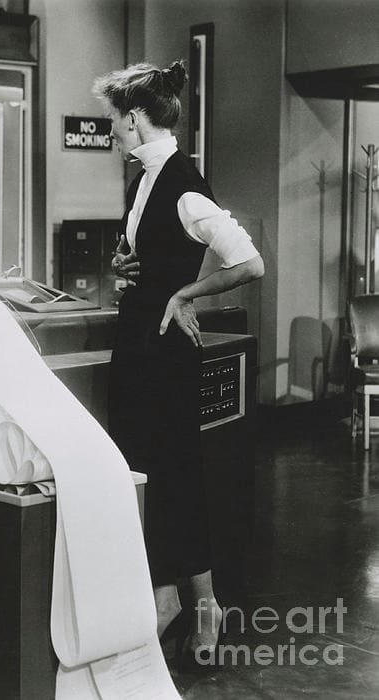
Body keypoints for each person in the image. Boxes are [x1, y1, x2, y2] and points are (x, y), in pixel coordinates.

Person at [92, 60, 264, 665]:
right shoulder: (145, 178)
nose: (110, 130)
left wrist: (184, 293)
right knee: (143, 471)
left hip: (164, 352)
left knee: (179, 474)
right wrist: (129, 270)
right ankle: (164, 599)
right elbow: (151, 254)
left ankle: (206, 603)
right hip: (137, 343)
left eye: (113, 120)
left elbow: (249, 262)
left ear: (135, 119)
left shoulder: (185, 184)